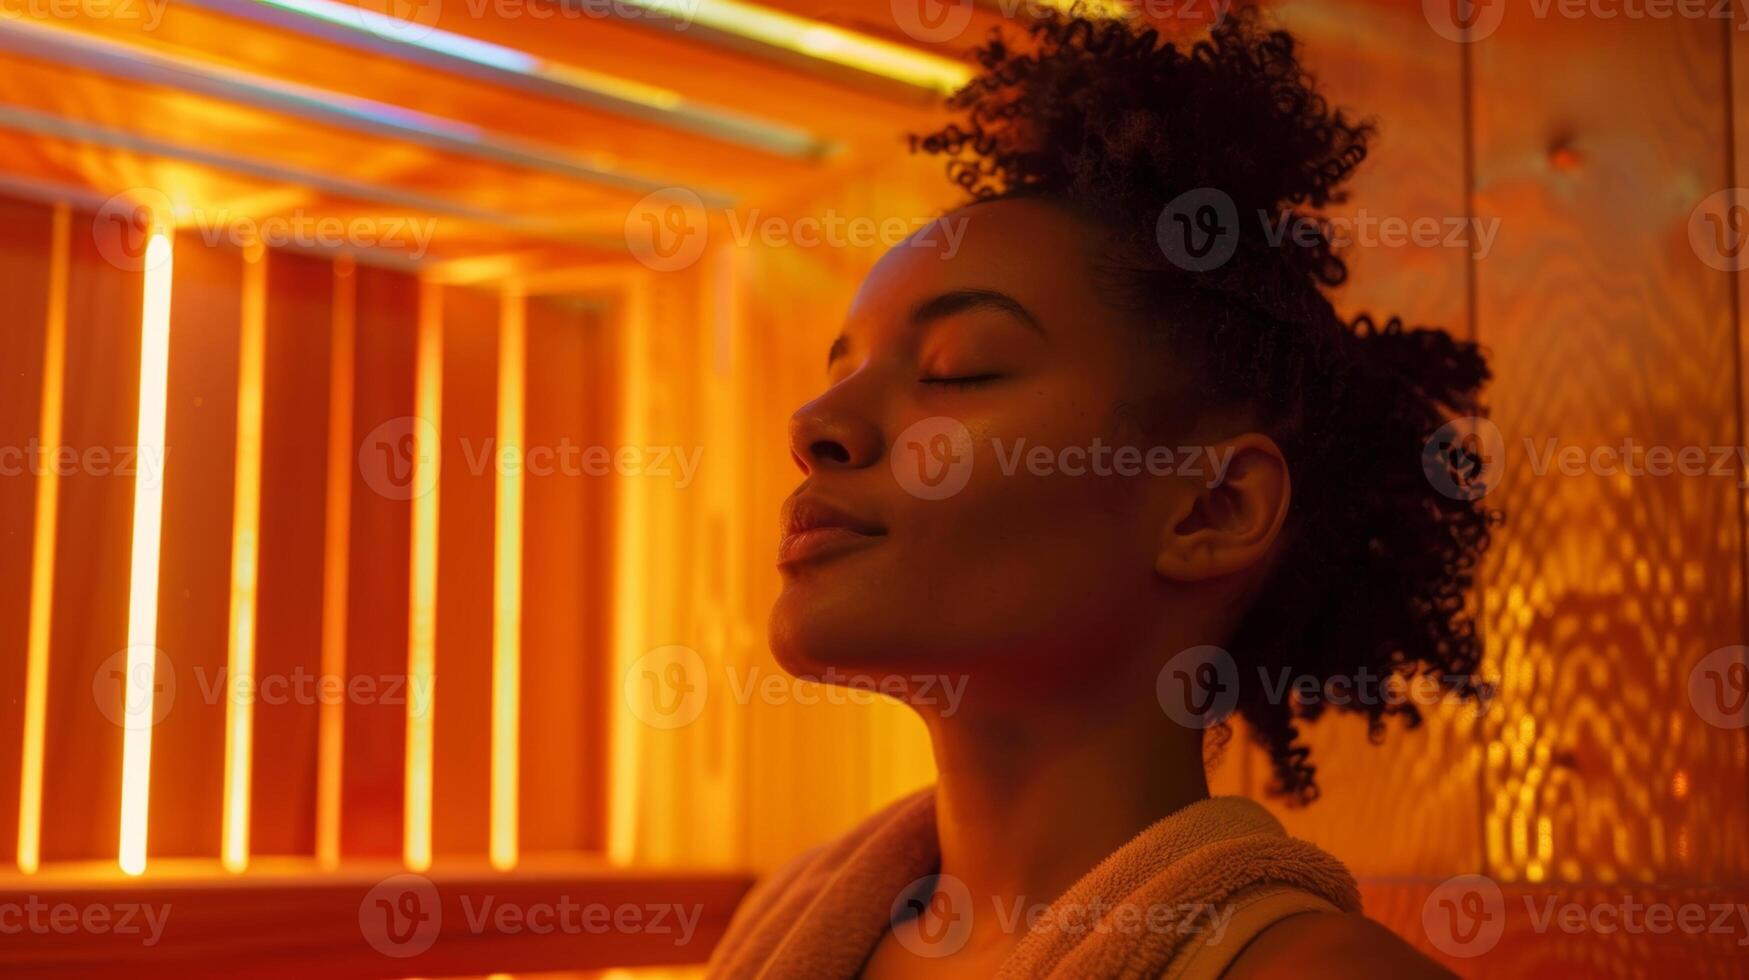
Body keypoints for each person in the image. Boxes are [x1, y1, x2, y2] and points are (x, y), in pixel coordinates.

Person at [711, 8, 1496, 978]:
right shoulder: (781, 928)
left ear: (1213, 507)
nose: (814, 423)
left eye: (959, 369)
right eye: (841, 368)